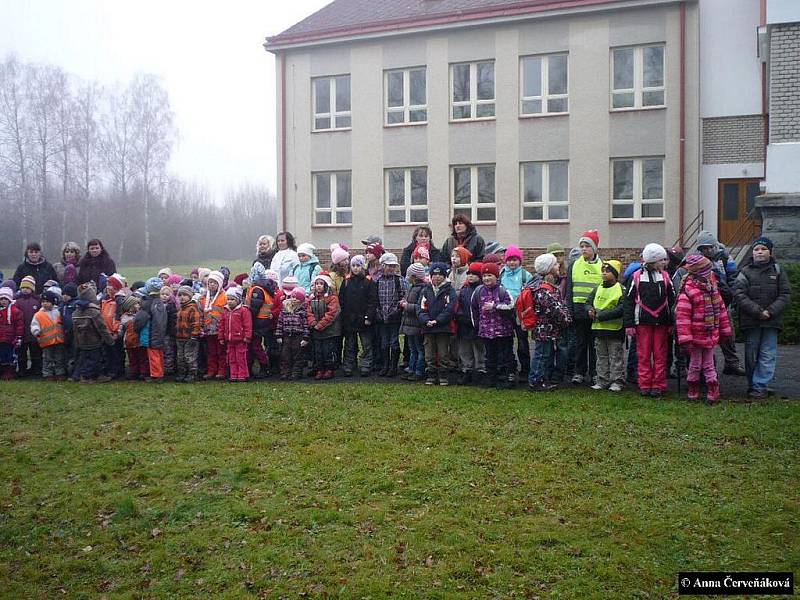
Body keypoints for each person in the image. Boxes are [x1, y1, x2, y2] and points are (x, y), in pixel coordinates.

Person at [673, 230, 744, 376]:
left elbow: (734, 278)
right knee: (694, 338)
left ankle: (732, 362)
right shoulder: (693, 261)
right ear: (699, 249)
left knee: (728, 333)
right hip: (699, 305)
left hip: (721, 302)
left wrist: (731, 295)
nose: (708, 250)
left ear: (715, 246)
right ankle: (689, 368)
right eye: (704, 248)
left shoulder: (725, 258)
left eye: (710, 247)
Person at [733, 236, 791, 400]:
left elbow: (785, 294)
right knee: (751, 354)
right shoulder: (744, 272)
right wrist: (758, 311)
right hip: (751, 321)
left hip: (772, 322)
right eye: (757, 249)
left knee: (768, 353)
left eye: (763, 249)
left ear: (770, 252)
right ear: (753, 252)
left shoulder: (778, 271)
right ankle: (753, 384)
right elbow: (739, 294)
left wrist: (771, 311)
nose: (760, 252)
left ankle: (760, 385)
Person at [675, 255, 733, 404]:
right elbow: (683, 318)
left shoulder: (713, 289)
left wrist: (725, 331)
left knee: (709, 364)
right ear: (701, 272)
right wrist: (685, 339)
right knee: (695, 364)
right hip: (695, 337)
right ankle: (693, 388)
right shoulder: (687, 291)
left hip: (709, 335)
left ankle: (713, 388)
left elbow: (721, 312)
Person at [623, 243, 675, 398]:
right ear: (653, 261)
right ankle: (645, 383)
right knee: (644, 354)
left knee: (660, 354)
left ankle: (658, 384)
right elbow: (628, 302)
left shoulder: (665, 277)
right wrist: (629, 324)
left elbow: (672, 300)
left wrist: (672, 322)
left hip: (662, 322)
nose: (664, 263)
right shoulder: (637, 277)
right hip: (643, 322)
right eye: (661, 260)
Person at [522, 253, 571, 392]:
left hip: (547, 329)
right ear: (548, 268)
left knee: (545, 355)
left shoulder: (545, 286)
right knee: (541, 355)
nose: (558, 266)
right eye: (555, 264)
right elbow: (553, 308)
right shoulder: (543, 289)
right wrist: (566, 318)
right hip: (544, 330)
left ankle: (542, 379)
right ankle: (535, 381)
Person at [565, 230, 603, 385]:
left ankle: (595, 372)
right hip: (579, 311)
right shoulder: (574, 265)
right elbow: (569, 289)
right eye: (582, 246)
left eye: (587, 245)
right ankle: (579, 372)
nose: (584, 249)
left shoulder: (602, 266)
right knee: (580, 344)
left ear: (594, 248)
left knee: (594, 345)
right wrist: (570, 309)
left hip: (595, 312)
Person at [472, 262, 515, 390]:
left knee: (504, 356)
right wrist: (478, 326)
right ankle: (491, 378)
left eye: (489, 275)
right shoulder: (478, 291)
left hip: (503, 331)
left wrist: (495, 307)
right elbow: (473, 310)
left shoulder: (503, 291)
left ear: (496, 276)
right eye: (484, 276)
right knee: (490, 356)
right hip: (486, 331)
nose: (486, 278)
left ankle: (505, 378)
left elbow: (511, 306)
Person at [586, 260, 625, 392]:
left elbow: (621, 308)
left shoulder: (621, 289)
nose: (604, 273)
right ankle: (602, 379)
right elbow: (588, 302)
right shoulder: (597, 288)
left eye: (607, 271)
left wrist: (602, 315)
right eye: (602, 271)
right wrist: (590, 310)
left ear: (615, 274)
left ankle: (617, 380)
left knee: (615, 357)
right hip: (599, 330)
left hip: (614, 330)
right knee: (601, 356)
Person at [339, 255, 377, 377]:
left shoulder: (368, 281)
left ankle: (366, 365)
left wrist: (368, 317)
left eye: (358, 265)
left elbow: (372, 301)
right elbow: (342, 300)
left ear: (362, 266)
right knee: (350, 344)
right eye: (353, 266)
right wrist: (344, 317)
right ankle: (349, 365)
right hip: (350, 319)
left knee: (366, 344)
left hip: (364, 319)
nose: (356, 268)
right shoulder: (346, 281)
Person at [418, 262, 456, 385]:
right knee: (429, 353)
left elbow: (450, 308)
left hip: (443, 327)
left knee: (443, 352)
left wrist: (438, 320)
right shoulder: (426, 290)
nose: (437, 277)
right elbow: (421, 308)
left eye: (440, 274)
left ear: (445, 276)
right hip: (428, 327)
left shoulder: (449, 290)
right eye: (434, 274)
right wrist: (426, 320)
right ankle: (431, 374)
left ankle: (443, 375)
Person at [500, 244, 533, 383]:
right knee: (506, 340)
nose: (512, 262)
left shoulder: (525, 275)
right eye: (510, 259)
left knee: (522, 341)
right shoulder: (501, 273)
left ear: (520, 260)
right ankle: (510, 368)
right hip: (505, 311)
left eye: (515, 259)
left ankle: (525, 369)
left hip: (520, 312)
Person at [72, 283, 114, 383]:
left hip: (81, 340)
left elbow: (74, 329)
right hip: (94, 340)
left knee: (83, 359)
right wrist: (110, 340)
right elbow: (101, 327)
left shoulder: (76, 311)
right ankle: (87, 377)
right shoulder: (94, 311)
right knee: (94, 359)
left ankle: (80, 375)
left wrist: (77, 342)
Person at [454, 262, 485, 385]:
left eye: (474, 274)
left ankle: (481, 370)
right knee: (465, 349)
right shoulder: (464, 290)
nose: (471, 276)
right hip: (464, 323)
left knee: (479, 349)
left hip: (478, 324)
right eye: (469, 274)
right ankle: (467, 369)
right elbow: (459, 305)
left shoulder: (482, 290)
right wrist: (460, 317)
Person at [375, 252, 405, 377]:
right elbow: (374, 299)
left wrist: (397, 310)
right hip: (382, 317)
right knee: (384, 342)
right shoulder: (377, 281)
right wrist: (378, 312)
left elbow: (403, 296)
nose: (391, 268)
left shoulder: (399, 280)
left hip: (394, 317)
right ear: (382, 266)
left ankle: (393, 366)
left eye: (393, 266)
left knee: (394, 341)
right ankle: (385, 365)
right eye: (389, 266)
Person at [308, 272, 341, 380]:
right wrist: (312, 322)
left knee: (328, 351)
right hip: (316, 330)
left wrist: (321, 324)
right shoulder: (312, 298)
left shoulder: (332, 298)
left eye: (321, 283)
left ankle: (329, 369)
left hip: (328, 330)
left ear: (326, 285)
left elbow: (332, 313)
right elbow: (309, 312)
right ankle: (319, 369)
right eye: (317, 283)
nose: (318, 286)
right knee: (318, 351)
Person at [135, 278, 168, 383]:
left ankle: (156, 375)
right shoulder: (160, 303)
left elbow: (140, 319)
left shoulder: (147, 303)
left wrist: (136, 328)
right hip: (160, 332)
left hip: (150, 333)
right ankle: (161, 372)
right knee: (159, 354)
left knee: (153, 355)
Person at [400, 263, 428, 382]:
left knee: (419, 349)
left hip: (417, 324)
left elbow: (420, 306)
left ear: (414, 277)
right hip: (409, 323)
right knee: (412, 348)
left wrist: (407, 306)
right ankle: (411, 369)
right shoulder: (412, 287)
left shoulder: (422, 289)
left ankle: (419, 370)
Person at [31, 289, 67, 381]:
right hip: (46, 341)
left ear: (53, 302)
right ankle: (48, 374)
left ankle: (60, 373)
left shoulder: (58, 311)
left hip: (59, 340)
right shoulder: (38, 315)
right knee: (47, 359)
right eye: (43, 302)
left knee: (59, 358)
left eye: (47, 302)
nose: (45, 304)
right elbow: (34, 324)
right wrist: (36, 331)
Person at [219, 287, 252, 382]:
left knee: (241, 357)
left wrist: (247, 336)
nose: (229, 302)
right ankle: (233, 374)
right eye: (228, 299)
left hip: (240, 339)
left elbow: (247, 324)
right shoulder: (225, 311)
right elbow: (222, 325)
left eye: (232, 299)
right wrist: (221, 337)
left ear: (238, 300)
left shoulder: (244, 311)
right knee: (231, 358)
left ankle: (242, 374)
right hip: (229, 339)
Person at [276, 287, 310, 380]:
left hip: (298, 336)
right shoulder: (285, 309)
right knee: (285, 355)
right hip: (286, 335)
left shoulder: (302, 311)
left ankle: (296, 373)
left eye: (297, 298)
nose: (295, 299)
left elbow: (306, 325)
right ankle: (285, 373)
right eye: (293, 297)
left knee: (297, 356)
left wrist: (305, 338)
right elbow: (280, 323)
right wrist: (278, 335)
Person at [200, 270, 228, 380]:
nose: (212, 284)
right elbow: (201, 312)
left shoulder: (224, 297)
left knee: (221, 351)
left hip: (219, 329)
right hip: (207, 329)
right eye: (210, 282)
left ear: (220, 284)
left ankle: (222, 371)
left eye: (215, 282)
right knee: (211, 352)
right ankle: (211, 370)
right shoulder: (203, 297)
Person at [173, 286, 202, 382]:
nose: (182, 297)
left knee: (189, 356)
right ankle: (182, 373)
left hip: (190, 338)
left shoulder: (193, 308)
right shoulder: (180, 308)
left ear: (190, 296)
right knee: (180, 357)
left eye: (184, 295)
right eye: (180, 295)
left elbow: (196, 323)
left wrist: (194, 336)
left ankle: (192, 374)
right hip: (179, 337)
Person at [14, 276, 41, 377]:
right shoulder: (17, 300)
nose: (25, 290)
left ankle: (36, 369)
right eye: (23, 288)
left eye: (27, 287)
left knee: (35, 352)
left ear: (32, 288)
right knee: (21, 352)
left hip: (33, 331)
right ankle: (22, 370)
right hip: (21, 332)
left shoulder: (37, 300)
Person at [121, 295, 147, 381]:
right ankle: (134, 372)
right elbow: (122, 328)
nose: (138, 305)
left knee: (142, 357)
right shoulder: (125, 317)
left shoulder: (139, 315)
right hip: (129, 341)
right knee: (132, 358)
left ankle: (143, 372)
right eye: (136, 303)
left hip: (138, 341)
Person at [0, 287, 24, 380]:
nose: (3, 301)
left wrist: (18, 337)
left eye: (5, 299)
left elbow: (20, 325)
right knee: (2, 356)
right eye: (1, 299)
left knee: (11, 356)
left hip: (11, 339)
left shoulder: (15, 311)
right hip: (1, 338)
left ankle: (10, 373)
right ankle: (3, 372)